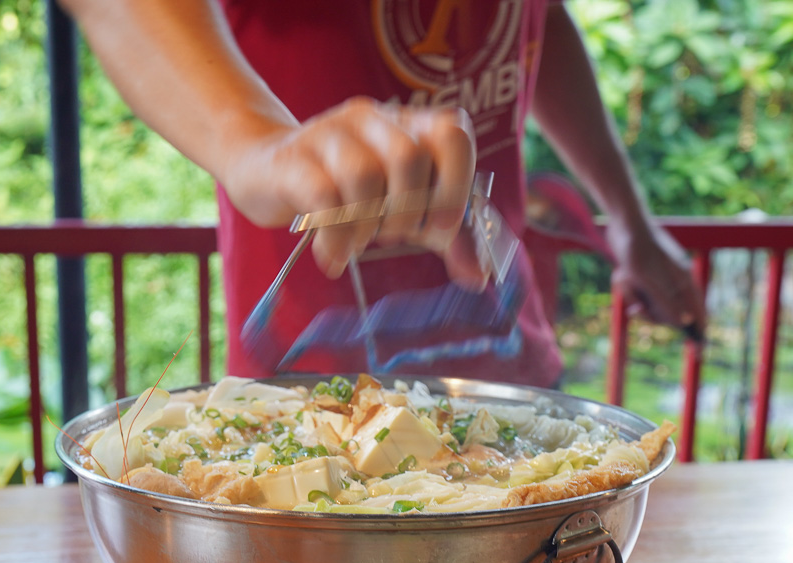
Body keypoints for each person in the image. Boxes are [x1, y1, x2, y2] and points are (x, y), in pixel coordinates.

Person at [58, 0, 705, 385]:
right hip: (309, 393)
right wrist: (252, 142)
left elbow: (539, 20)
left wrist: (630, 221)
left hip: (512, 365)